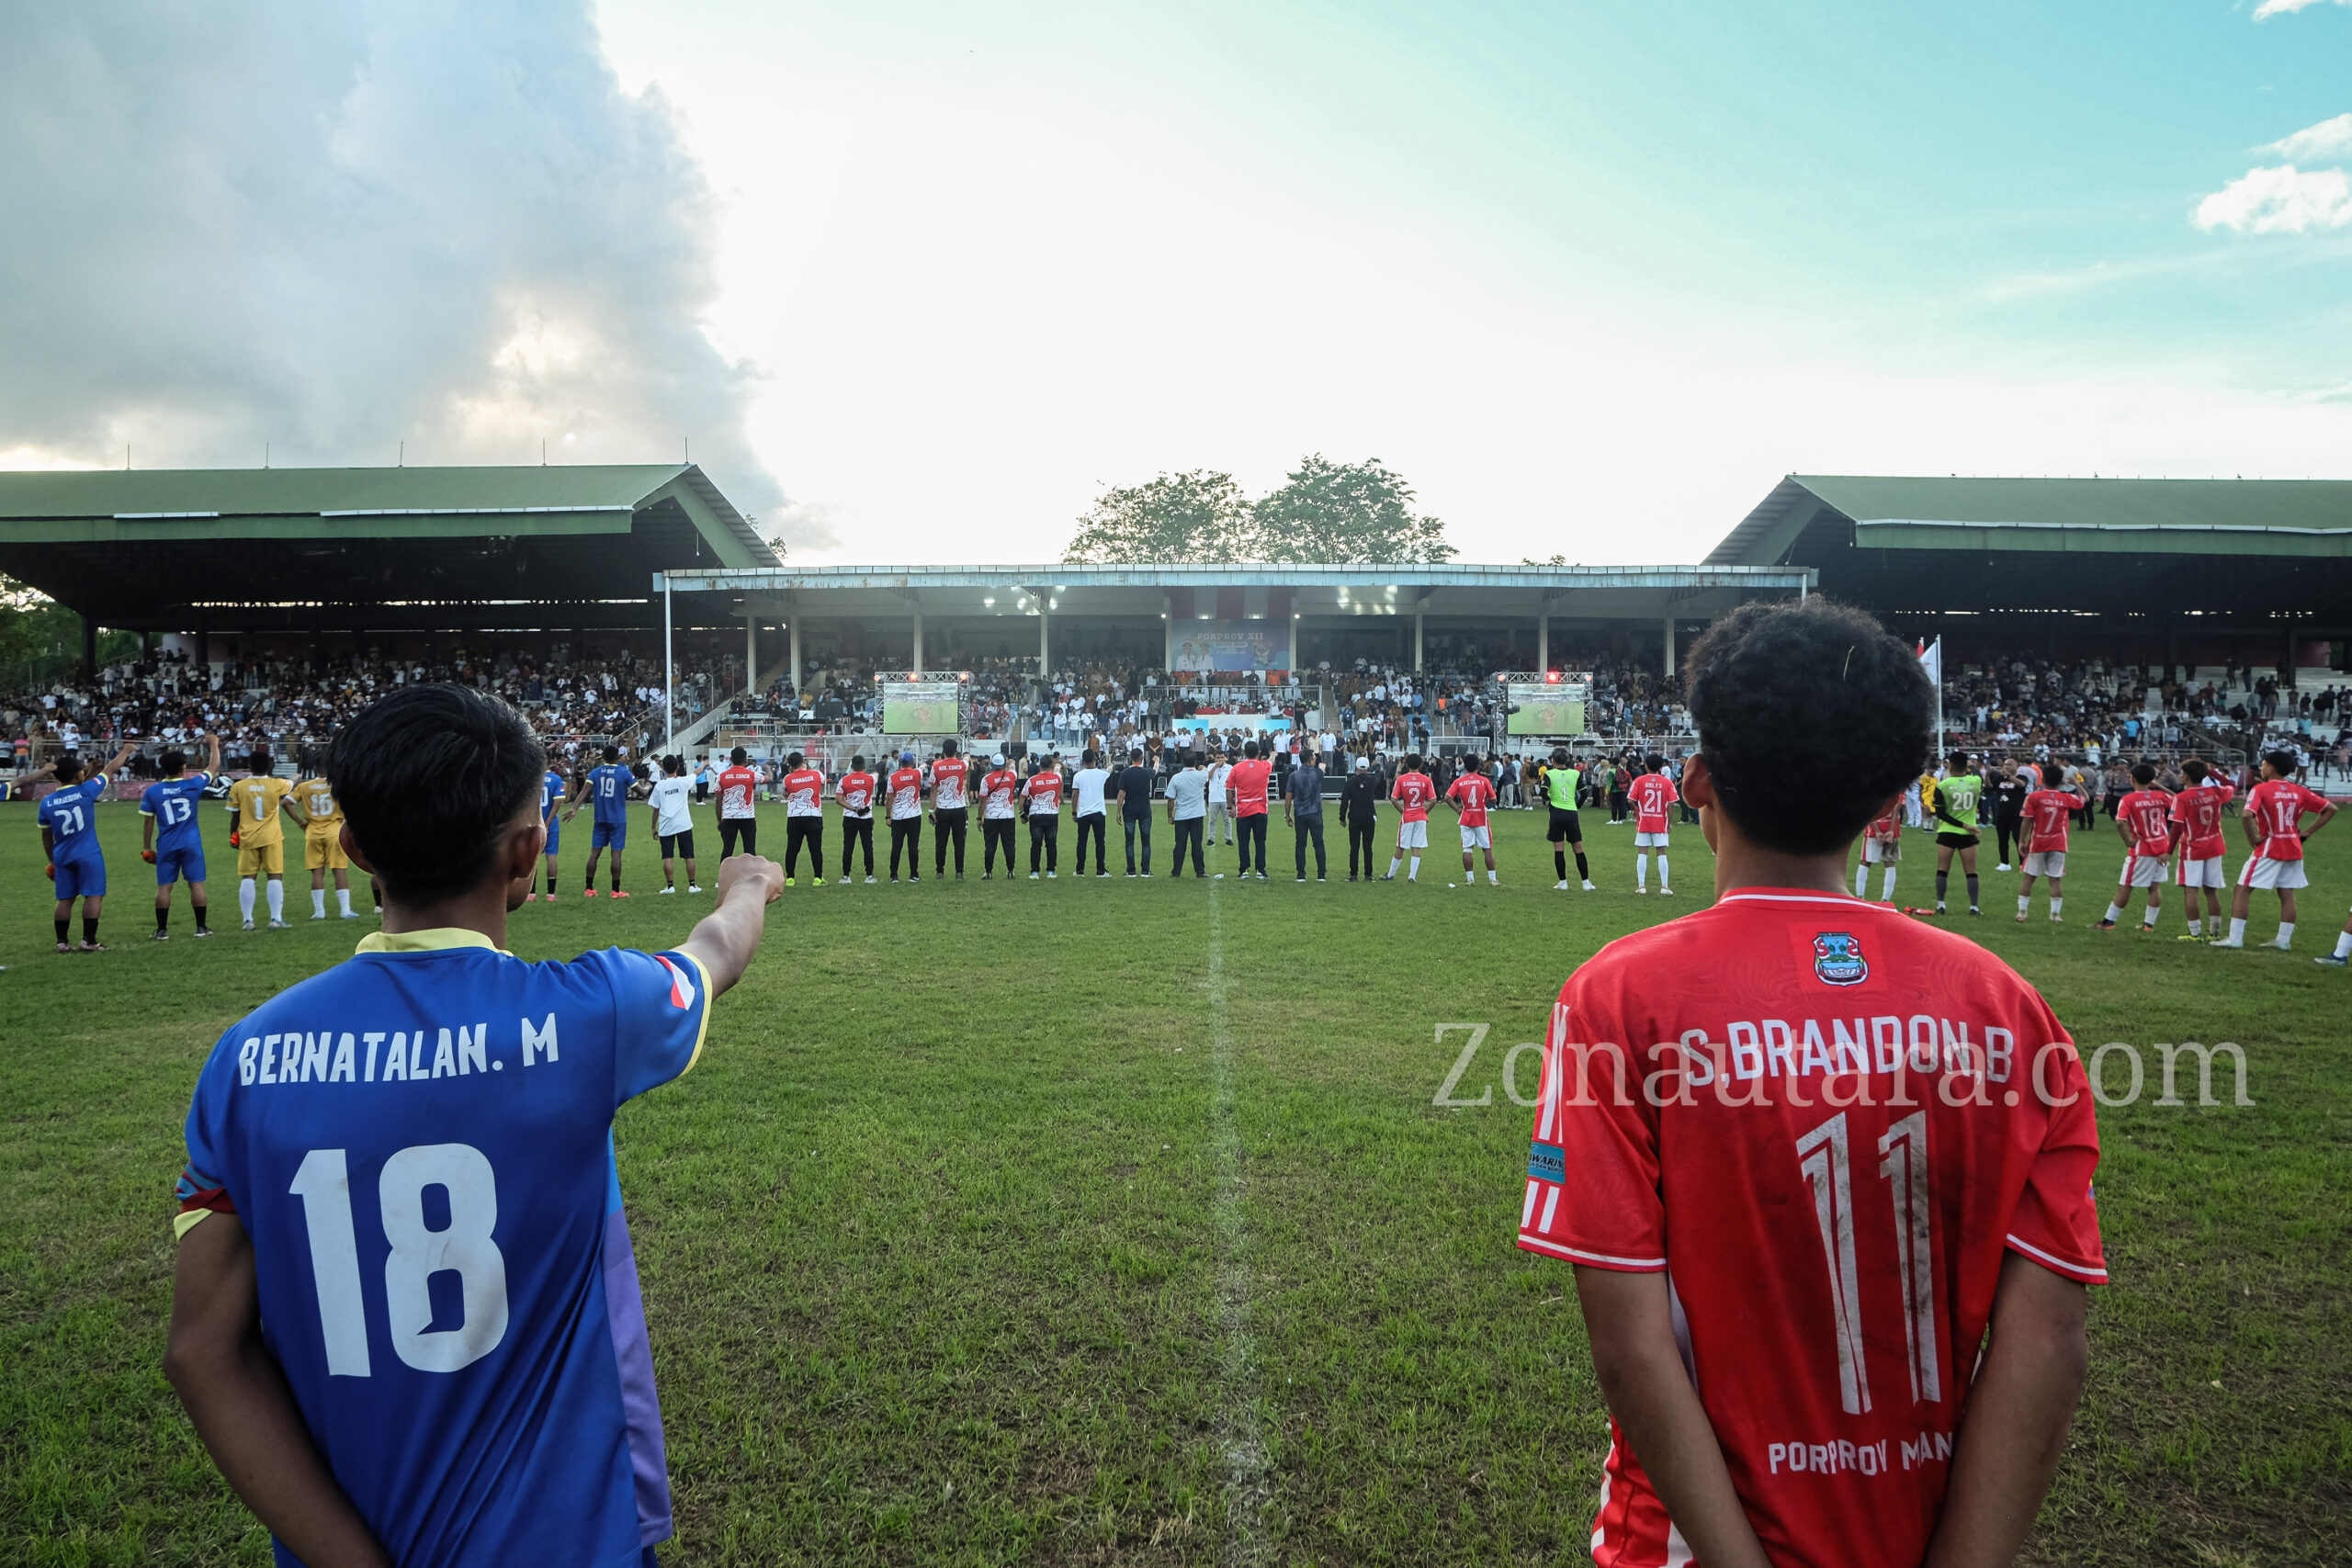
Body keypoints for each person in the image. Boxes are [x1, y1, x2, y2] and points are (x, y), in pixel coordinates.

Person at [1519, 596, 2103, 1568]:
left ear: (1698, 778)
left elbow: (1629, 1346)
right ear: (1885, 806)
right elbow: (2048, 1339)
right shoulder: (2010, 1009)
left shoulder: (1620, 999)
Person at [164, 682, 784, 1568]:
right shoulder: (589, 1015)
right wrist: (750, 883)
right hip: (568, 1541)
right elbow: (715, 951)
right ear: (528, 849)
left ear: (356, 847)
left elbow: (201, 1349)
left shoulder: (245, 1059)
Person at [2211, 749, 2335, 950]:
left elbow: (2246, 815)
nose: (2261, 768)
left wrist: (2252, 838)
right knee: (2287, 892)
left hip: (2270, 845)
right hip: (2293, 846)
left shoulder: (2261, 789)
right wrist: (2308, 832)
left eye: (2263, 764)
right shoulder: (2299, 790)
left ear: (2271, 767)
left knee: (2243, 888)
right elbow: (2331, 809)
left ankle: (2235, 938)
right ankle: (2283, 940)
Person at [40, 739, 139, 952]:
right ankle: (89, 941)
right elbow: (110, 768)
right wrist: (126, 750)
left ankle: (62, 942)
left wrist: (51, 860)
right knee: (93, 895)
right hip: (88, 853)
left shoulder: (46, 802)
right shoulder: (86, 790)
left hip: (62, 855)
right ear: (78, 775)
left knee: (65, 899)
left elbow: (46, 836)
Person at [141, 733, 222, 940]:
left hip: (167, 843)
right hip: (191, 842)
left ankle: (161, 930)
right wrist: (213, 743)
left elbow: (148, 821)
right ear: (183, 768)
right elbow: (213, 767)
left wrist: (147, 847)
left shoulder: (153, 792)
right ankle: (201, 927)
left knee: (164, 888)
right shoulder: (192, 785)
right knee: (196, 884)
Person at [2095, 762, 2174, 933]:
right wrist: (2159, 786)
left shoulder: (2128, 799)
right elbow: (2177, 800)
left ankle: (2109, 921)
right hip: (2162, 847)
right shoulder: (2159, 796)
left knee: (2126, 886)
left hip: (2142, 850)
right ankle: (2148, 925)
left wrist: (2128, 841)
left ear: (2133, 779)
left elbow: (2120, 822)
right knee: (2154, 887)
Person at [229, 751, 298, 931]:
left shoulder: (239, 787)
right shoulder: (277, 784)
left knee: (248, 877)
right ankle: (275, 919)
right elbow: (292, 782)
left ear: (249, 766)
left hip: (247, 837)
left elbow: (235, 815)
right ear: (269, 766)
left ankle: (248, 921)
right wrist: (296, 776)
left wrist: (232, 835)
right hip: (271, 837)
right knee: (274, 875)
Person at [2168, 757, 2234, 942]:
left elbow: (2177, 828)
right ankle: (2214, 932)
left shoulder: (2181, 798)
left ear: (2186, 776)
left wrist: (2169, 850)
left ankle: (2194, 932)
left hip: (2193, 848)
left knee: (2191, 890)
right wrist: (2212, 772)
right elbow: (2232, 785)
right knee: (2211, 890)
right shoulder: (2215, 791)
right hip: (2214, 845)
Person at [568, 744, 636, 898]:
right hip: (618, 819)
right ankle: (615, 890)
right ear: (618, 757)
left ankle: (589, 888)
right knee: (616, 854)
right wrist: (649, 788)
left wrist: (574, 808)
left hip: (600, 818)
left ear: (603, 757)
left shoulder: (595, 773)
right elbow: (640, 791)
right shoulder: (623, 772)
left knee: (594, 853)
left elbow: (584, 791)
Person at [292, 772, 360, 920]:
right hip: (334, 831)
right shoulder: (336, 785)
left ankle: (319, 911)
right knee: (339, 870)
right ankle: (345, 910)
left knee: (317, 872)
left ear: (315, 769)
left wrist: (300, 822)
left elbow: (286, 802)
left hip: (313, 832)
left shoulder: (305, 786)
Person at [2017, 771, 2082, 923]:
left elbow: (2027, 820)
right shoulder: (2065, 798)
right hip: (2058, 844)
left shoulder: (2033, 797)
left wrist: (2021, 840)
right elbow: (2084, 799)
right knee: (2055, 880)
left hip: (2038, 843)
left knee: (2028, 878)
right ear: (2060, 782)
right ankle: (2055, 914)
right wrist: (2077, 784)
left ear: (2043, 779)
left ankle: (2022, 912)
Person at [1928, 750, 1984, 916]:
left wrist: (1961, 824)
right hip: (1969, 833)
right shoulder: (1975, 781)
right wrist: (1966, 825)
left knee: (1942, 869)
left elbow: (1940, 814)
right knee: (1971, 870)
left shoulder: (1942, 785)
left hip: (1948, 831)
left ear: (1950, 765)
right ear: (1966, 765)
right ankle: (1974, 907)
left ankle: (1941, 905)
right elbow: (1977, 773)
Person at [1540, 750, 1595, 892]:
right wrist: (1577, 806)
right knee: (1578, 848)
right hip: (1571, 812)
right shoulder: (1575, 773)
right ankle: (1586, 882)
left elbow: (1543, 793)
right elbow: (1583, 793)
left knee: (1559, 849)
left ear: (1553, 760)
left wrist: (1552, 800)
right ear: (1568, 760)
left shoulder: (1549, 774)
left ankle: (1563, 882)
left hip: (1556, 813)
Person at [649, 754, 701, 895]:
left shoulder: (660, 786)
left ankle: (670, 886)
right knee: (689, 855)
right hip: (683, 823)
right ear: (678, 767)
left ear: (663, 768)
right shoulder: (684, 782)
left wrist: (654, 827)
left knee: (667, 856)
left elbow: (656, 809)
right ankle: (692, 885)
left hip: (666, 824)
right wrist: (705, 764)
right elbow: (696, 773)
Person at [1628, 752, 1679, 896]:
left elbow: (1630, 799)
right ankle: (1664, 886)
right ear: (1661, 767)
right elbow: (1672, 804)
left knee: (1642, 852)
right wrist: (1669, 822)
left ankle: (1641, 886)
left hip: (1644, 821)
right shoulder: (1667, 782)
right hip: (1660, 821)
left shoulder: (1639, 780)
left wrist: (1636, 810)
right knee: (1661, 853)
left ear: (1646, 765)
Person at [1444, 751, 1498, 886]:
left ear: (1466, 767)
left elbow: (1447, 797)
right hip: (1481, 817)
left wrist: (1457, 809)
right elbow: (1493, 798)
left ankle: (1470, 879)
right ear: (1478, 767)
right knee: (1487, 848)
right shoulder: (1484, 780)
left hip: (1466, 817)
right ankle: (1492, 879)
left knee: (1467, 849)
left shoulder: (1459, 781)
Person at [1385, 753, 1434, 884]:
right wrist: (1425, 812)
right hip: (1420, 816)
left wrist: (1402, 811)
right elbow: (1433, 800)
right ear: (1420, 764)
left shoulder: (1401, 779)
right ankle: (1412, 876)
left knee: (1401, 846)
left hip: (1407, 816)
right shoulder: (1426, 780)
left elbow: (1394, 798)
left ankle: (1390, 874)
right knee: (1416, 847)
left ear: (1406, 764)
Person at [777, 750, 824, 887]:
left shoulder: (787, 778)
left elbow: (786, 794)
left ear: (790, 765)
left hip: (795, 816)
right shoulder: (816, 774)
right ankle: (818, 878)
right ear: (803, 761)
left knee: (792, 848)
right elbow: (822, 784)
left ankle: (790, 878)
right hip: (813, 814)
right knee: (815, 848)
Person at [1229, 740, 1272, 879]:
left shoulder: (1237, 768)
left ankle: (1244, 870)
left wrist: (1230, 807)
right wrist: (1272, 755)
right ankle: (1260, 870)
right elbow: (1271, 761)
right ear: (1258, 753)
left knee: (1243, 841)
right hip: (1260, 809)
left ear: (1244, 752)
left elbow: (1229, 789)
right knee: (1260, 841)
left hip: (1243, 810)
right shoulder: (1265, 765)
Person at [929, 739, 971, 879]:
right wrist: (965, 756)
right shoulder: (961, 765)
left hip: (942, 808)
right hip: (959, 808)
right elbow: (967, 759)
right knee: (959, 841)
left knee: (941, 841)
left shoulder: (936, 766)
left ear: (943, 751)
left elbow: (933, 790)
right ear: (956, 751)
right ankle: (959, 871)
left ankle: (940, 871)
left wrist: (931, 810)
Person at [526, 759, 566, 901]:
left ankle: (531, 893)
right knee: (551, 855)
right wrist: (547, 824)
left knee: (533, 857)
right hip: (550, 824)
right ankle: (551, 894)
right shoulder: (556, 779)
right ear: (549, 764)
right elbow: (558, 802)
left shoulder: (532, 778)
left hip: (533, 823)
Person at [1284, 746, 1327, 882]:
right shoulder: (1318, 773)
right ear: (1311, 761)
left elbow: (1288, 797)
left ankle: (1301, 874)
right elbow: (1323, 766)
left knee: (1300, 844)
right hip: (1315, 812)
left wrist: (1287, 814)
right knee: (1318, 844)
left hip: (1300, 813)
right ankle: (1321, 875)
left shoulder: (1293, 776)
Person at [1165, 750, 1209, 877]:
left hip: (1181, 815)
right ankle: (1200, 872)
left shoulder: (1176, 778)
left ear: (1183, 762)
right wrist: (1202, 767)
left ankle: (1176, 871)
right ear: (1195, 762)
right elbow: (1206, 771)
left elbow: (1171, 799)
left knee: (1180, 844)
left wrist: (1170, 816)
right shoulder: (1201, 775)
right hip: (1197, 815)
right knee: (1197, 844)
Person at [836, 754, 877, 884]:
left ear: (852, 766)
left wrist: (853, 809)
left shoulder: (844, 780)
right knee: (868, 846)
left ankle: (846, 876)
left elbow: (839, 800)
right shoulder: (870, 779)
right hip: (866, 817)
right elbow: (877, 774)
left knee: (848, 846)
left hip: (849, 816)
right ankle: (869, 875)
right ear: (864, 766)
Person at [978, 752, 1022, 879]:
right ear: (1004, 764)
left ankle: (988, 872)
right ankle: (1010, 871)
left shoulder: (986, 779)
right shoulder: (1011, 776)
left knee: (990, 845)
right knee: (1009, 845)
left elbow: (982, 801)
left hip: (991, 816)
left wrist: (979, 817)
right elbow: (1013, 766)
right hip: (1008, 815)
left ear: (992, 764)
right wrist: (1010, 762)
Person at [1114, 748, 1155, 877]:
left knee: (1129, 841)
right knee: (1146, 840)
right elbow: (1156, 770)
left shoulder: (1125, 774)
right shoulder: (1146, 772)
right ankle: (1145, 870)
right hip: (1144, 809)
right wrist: (1157, 761)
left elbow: (1121, 794)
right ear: (1142, 759)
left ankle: (1131, 870)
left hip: (1130, 809)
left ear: (1131, 758)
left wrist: (1118, 811)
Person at [887, 750, 925, 883]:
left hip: (898, 816)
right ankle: (914, 874)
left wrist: (888, 816)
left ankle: (893, 875)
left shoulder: (893, 777)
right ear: (911, 762)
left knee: (896, 846)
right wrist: (923, 764)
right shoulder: (916, 774)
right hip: (914, 815)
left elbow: (889, 798)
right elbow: (922, 768)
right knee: (913, 846)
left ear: (900, 762)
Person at [1340, 756, 1382, 881]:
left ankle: (1353, 874)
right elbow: (1380, 774)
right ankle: (1368, 874)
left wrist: (1342, 817)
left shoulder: (1350, 782)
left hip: (1354, 817)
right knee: (1368, 847)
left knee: (1354, 846)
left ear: (1356, 768)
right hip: (1369, 816)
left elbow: (1344, 801)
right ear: (1368, 767)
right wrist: (1376, 766)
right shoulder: (1372, 780)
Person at [716, 747, 761, 862]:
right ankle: (752, 877)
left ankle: (723, 878)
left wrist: (719, 820)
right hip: (747, 816)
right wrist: (768, 769)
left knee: (727, 849)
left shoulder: (721, 776)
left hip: (729, 816)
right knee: (750, 850)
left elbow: (718, 800)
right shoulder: (751, 774)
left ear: (731, 759)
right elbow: (768, 778)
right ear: (745, 760)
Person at [1071, 749, 1111, 877]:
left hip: (1083, 812)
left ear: (1083, 761)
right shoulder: (1102, 774)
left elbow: (1074, 795)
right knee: (1100, 842)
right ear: (1095, 759)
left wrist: (1074, 811)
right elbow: (1109, 768)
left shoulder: (1078, 776)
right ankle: (1100, 870)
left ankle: (1080, 869)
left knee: (1081, 842)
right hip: (1098, 812)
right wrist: (1109, 762)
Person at [1022, 752, 1062, 878]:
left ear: (1040, 766)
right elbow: (1058, 770)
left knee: (1036, 843)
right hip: (1051, 814)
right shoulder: (1057, 778)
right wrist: (1057, 766)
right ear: (1051, 765)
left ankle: (1035, 871)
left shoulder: (1032, 780)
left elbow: (1022, 797)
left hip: (1036, 815)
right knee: (1051, 843)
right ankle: (1051, 871)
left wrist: (1022, 813)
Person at [1855, 799, 1900, 904]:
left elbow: (1871, 808)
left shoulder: (1875, 786)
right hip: (1888, 830)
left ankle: (1860, 896)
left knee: (1866, 862)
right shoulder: (1897, 788)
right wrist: (1891, 830)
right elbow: (1896, 809)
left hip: (1875, 830)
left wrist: (1878, 831)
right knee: (1889, 863)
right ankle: (1885, 899)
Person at [1990, 756, 2029, 872]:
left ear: (2017, 766)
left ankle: (2023, 863)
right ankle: (2004, 862)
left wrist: (2009, 777)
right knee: (2002, 839)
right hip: (2001, 813)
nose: (2006, 766)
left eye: (2010, 764)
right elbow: (1990, 786)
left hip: (2016, 814)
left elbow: (2022, 785)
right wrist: (1987, 775)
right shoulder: (1999, 778)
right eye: (2005, 764)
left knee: (2018, 839)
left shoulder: (2022, 777)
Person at [1206, 750, 1234, 847]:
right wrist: (1215, 767)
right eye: (1218, 757)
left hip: (1225, 798)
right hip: (1213, 798)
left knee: (1227, 820)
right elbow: (1208, 777)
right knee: (1212, 820)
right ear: (1215, 758)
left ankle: (1228, 838)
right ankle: (1210, 839)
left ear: (1225, 758)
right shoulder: (1210, 766)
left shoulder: (1230, 767)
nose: (1220, 759)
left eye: (1222, 757)